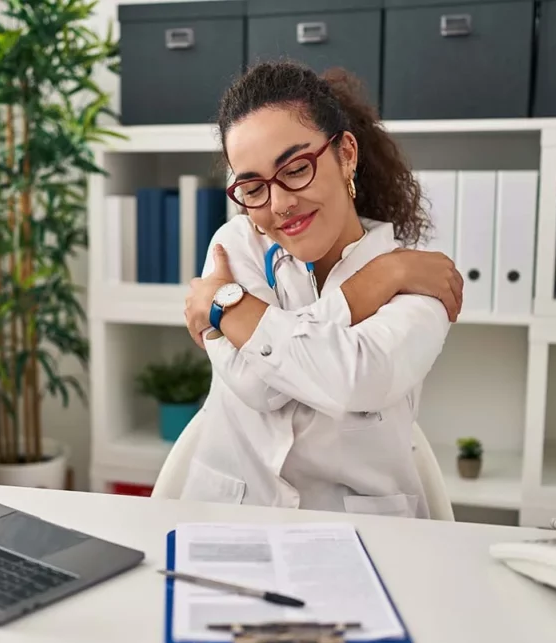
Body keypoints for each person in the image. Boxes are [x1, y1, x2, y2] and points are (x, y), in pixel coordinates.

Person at [180, 60, 463, 519]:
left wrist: (224, 306)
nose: (279, 204)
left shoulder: (420, 280)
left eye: (295, 169)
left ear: (345, 154)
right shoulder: (235, 248)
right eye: (252, 187)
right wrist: (369, 289)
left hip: (364, 533)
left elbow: (357, 379)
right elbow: (257, 388)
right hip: (230, 517)